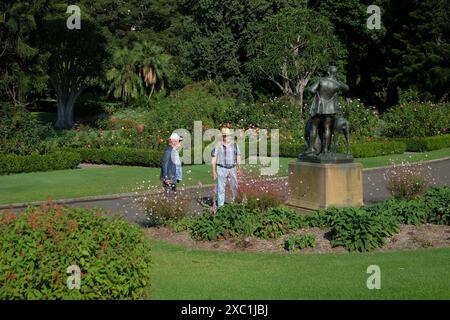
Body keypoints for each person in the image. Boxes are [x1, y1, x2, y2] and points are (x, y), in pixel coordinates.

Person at [306, 66, 349, 154]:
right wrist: (338, 80)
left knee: (314, 127)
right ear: (335, 74)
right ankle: (325, 150)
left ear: (328, 72)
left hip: (319, 108)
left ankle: (311, 148)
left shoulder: (321, 80)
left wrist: (318, 93)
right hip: (330, 109)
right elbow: (347, 88)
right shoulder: (337, 84)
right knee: (327, 128)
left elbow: (311, 90)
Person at [211, 127, 242, 208]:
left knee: (234, 187)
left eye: (227, 135)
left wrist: (239, 168)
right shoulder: (217, 145)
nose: (226, 137)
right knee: (221, 189)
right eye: (224, 136)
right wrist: (214, 171)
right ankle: (221, 207)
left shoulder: (235, 145)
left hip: (232, 168)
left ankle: (235, 204)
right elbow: (213, 158)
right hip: (221, 168)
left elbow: (238, 156)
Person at [160, 132, 183, 196]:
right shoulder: (168, 151)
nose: (180, 143)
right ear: (174, 142)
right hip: (169, 177)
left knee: (174, 194)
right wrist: (166, 178)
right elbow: (164, 164)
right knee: (168, 195)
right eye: (178, 141)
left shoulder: (174, 151)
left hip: (173, 176)